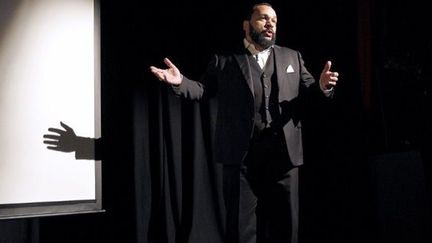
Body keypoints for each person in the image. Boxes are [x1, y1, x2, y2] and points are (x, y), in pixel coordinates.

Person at [150, 2, 339, 243]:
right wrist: (180, 82)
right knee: (240, 229)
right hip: (242, 157)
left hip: (284, 157)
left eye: (274, 20)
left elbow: (311, 94)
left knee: (286, 227)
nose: (270, 24)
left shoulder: (292, 57)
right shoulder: (225, 60)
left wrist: (322, 87)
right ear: (246, 25)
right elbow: (204, 90)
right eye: (263, 18)